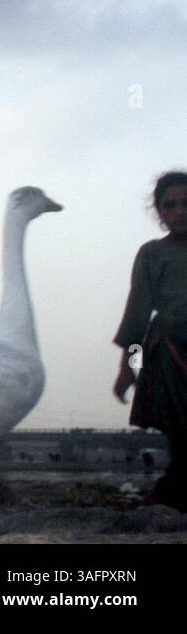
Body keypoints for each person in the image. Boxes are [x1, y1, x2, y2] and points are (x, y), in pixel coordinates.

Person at [114, 170, 187, 512]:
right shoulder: (152, 254)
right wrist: (128, 370)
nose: (179, 211)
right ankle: (171, 494)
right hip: (170, 353)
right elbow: (137, 317)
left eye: (186, 204)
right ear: (158, 211)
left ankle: (172, 492)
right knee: (182, 433)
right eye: (170, 205)